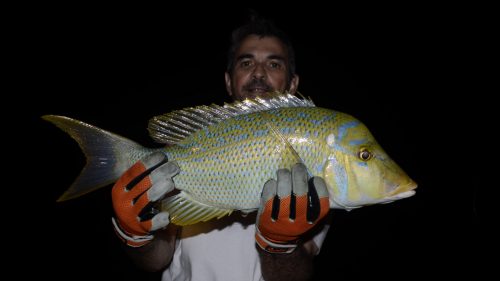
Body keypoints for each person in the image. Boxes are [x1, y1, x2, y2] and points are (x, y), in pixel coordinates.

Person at [111, 17, 331, 281]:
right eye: (246, 63)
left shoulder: (314, 157)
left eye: (274, 64)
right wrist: (136, 233)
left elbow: (294, 276)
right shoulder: (186, 144)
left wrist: (280, 243)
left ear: (293, 83)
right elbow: (157, 258)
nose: (259, 73)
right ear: (228, 80)